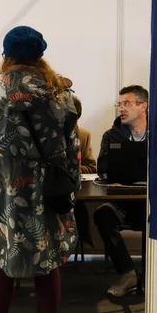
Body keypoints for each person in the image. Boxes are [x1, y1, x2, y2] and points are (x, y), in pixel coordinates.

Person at [0, 26, 80, 313]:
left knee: (2, 263)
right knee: (48, 262)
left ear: (7, 55)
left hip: (4, 190)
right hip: (46, 189)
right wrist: (69, 186)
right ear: (40, 55)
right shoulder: (62, 93)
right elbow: (70, 148)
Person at [93, 85, 148, 297]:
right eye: (120, 104)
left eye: (127, 103)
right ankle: (128, 273)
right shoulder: (112, 135)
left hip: (152, 203)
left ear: (143, 106)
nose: (121, 109)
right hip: (123, 203)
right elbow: (102, 169)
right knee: (103, 214)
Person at [71, 96, 96, 249]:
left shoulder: (83, 135)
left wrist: (72, 169)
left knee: (78, 206)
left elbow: (92, 167)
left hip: (73, 188)